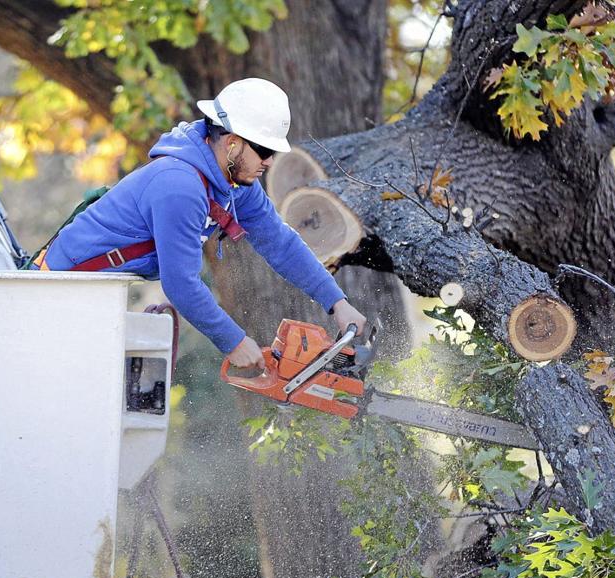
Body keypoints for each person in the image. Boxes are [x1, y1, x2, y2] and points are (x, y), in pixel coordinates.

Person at [28, 77, 367, 369]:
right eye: (264, 150)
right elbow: (181, 284)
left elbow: (279, 241)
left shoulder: (233, 185)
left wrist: (337, 302)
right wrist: (233, 341)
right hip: (60, 292)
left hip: (98, 292)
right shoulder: (180, 185)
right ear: (233, 144)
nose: (269, 162)